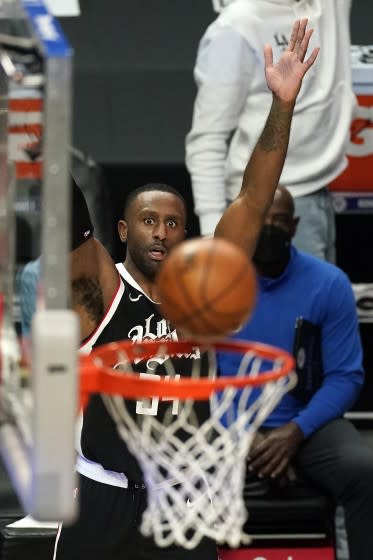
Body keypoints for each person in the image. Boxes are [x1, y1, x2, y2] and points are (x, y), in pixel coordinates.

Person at [54, 19, 319, 560]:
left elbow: (251, 197)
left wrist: (282, 104)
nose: (162, 232)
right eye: (149, 221)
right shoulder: (102, 291)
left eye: (174, 223)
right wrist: (37, 120)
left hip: (182, 505)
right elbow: (68, 213)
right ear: (124, 231)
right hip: (102, 500)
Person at [217, 186, 373, 560]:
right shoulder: (214, 283)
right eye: (260, 219)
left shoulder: (328, 282)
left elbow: (345, 376)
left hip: (305, 426)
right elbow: (200, 374)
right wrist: (243, 435)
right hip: (227, 425)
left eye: (280, 220)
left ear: (295, 225)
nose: (269, 228)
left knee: (364, 471)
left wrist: (295, 432)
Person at [185, 0, 357, 262]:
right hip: (264, 207)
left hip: (321, 191)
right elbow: (207, 137)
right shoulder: (235, 26)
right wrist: (214, 234)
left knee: (322, 299)